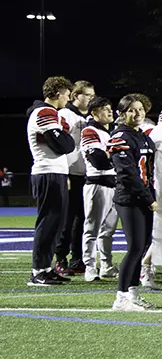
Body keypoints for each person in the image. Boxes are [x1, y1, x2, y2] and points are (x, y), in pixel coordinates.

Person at [26, 77, 77, 286]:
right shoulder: (45, 112)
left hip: (55, 173)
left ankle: (45, 268)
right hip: (47, 172)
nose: (68, 98)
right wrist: (65, 135)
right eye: (66, 94)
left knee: (56, 223)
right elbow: (64, 145)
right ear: (57, 93)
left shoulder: (49, 113)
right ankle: (38, 271)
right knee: (48, 222)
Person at [108, 94, 157, 311]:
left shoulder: (143, 136)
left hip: (144, 197)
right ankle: (120, 298)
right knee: (135, 248)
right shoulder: (119, 136)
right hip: (129, 199)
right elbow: (127, 173)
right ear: (122, 113)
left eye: (140, 109)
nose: (137, 113)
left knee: (141, 246)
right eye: (131, 110)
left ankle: (132, 294)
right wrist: (149, 199)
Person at [55, 80, 95, 276]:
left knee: (83, 219)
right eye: (86, 95)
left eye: (92, 96)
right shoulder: (64, 115)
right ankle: (60, 258)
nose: (90, 99)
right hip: (70, 172)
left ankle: (77, 258)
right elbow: (59, 145)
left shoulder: (92, 117)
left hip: (87, 173)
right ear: (74, 95)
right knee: (67, 218)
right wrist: (64, 172)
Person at [80, 97, 119, 281]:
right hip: (98, 184)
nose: (110, 112)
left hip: (113, 185)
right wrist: (116, 154)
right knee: (92, 229)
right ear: (94, 113)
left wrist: (110, 153)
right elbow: (98, 160)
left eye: (110, 108)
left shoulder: (110, 132)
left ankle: (106, 265)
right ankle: (89, 267)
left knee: (108, 230)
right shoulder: (90, 131)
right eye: (104, 109)